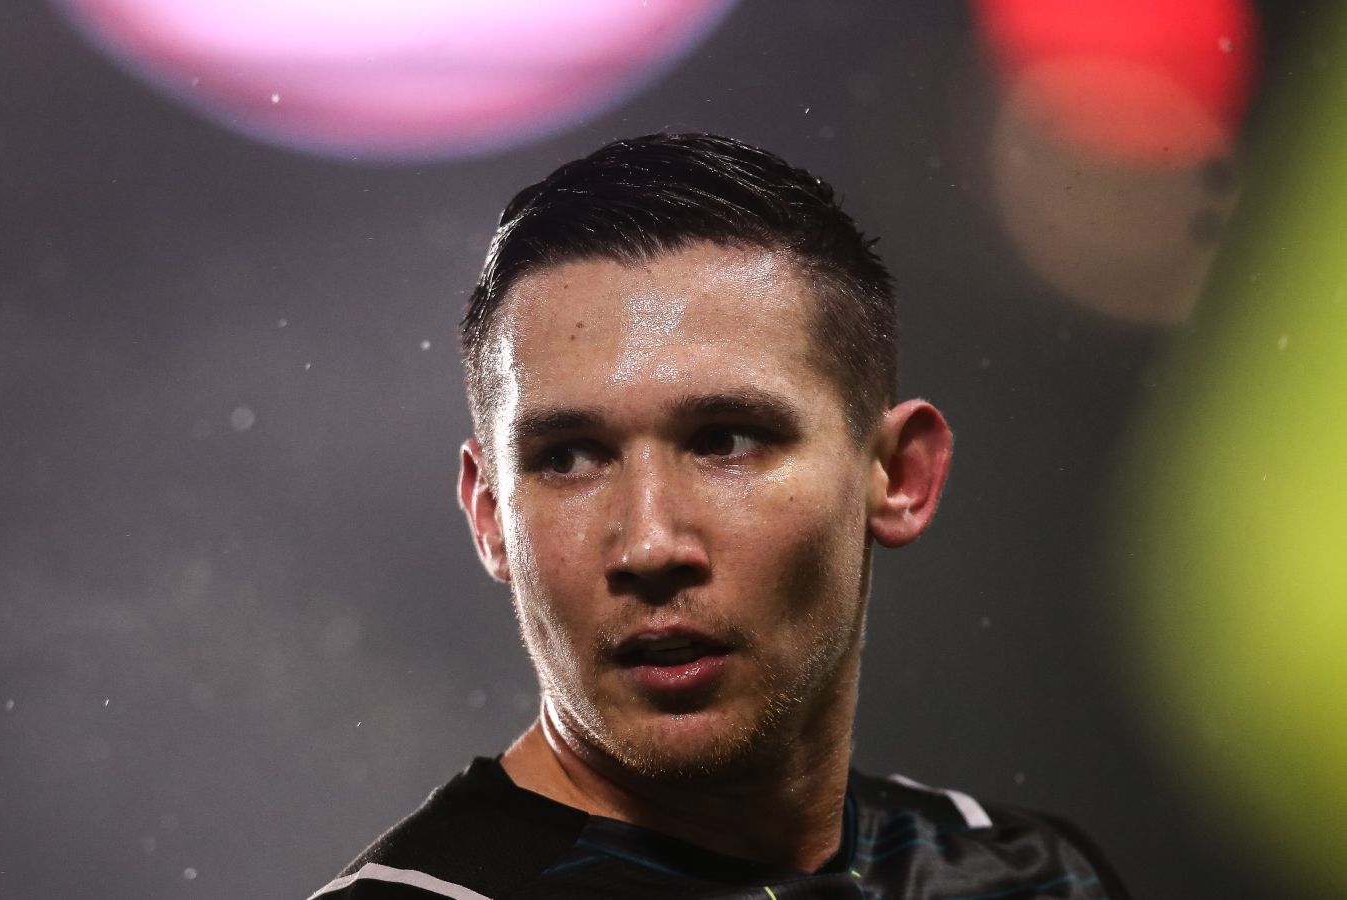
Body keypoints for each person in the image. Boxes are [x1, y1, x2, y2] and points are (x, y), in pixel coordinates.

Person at [307, 133, 1128, 900]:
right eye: (569, 458)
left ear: (898, 476)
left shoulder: (1030, 875)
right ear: (490, 516)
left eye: (725, 440)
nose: (649, 544)